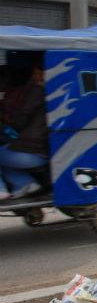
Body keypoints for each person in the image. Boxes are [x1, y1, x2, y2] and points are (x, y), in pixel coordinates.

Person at [0, 57, 48, 199]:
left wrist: (7, 122)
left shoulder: (37, 91)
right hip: (44, 150)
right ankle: (25, 183)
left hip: (34, 151)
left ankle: (1, 189)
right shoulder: (54, 92)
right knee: (3, 155)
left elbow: (20, 119)